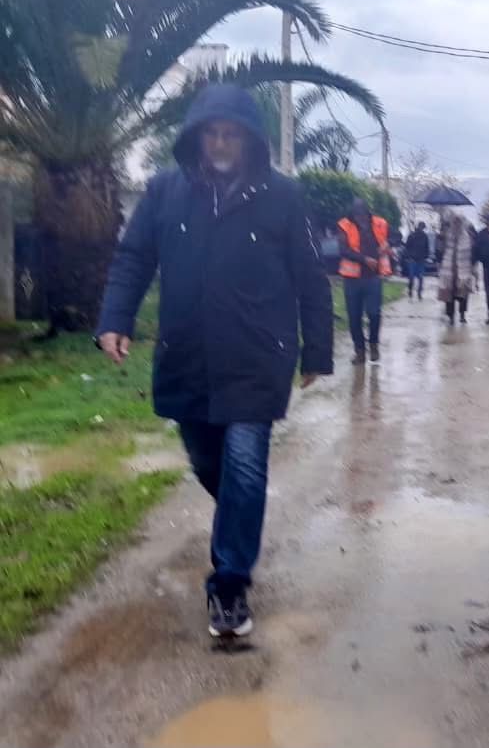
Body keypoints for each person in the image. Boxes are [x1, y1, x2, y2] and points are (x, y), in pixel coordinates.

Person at [96, 84, 334, 639]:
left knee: (245, 467)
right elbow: (133, 258)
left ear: (249, 140)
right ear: (197, 138)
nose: (221, 143)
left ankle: (229, 584)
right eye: (212, 133)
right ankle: (240, 516)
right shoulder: (165, 192)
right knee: (209, 463)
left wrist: (317, 350)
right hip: (189, 356)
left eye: (231, 134)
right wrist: (114, 319)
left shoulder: (282, 196)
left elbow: (309, 277)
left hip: (257, 359)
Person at [338, 198, 392, 364]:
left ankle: (373, 344)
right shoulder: (344, 225)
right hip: (352, 279)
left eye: (362, 215)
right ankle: (359, 351)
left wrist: (388, 245)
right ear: (352, 214)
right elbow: (343, 250)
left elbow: (394, 238)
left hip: (373, 277)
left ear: (367, 213)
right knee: (354, 317)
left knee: (374, 313)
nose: (359, 218)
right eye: (356, 215)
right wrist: (364, 259)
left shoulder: (379, 223)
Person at [437, 212, 476, 325]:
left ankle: (462, 314)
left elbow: (473, 253)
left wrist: (472, 267)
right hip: (449, 268)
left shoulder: (468, 236)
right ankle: (451, 316)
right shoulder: (446, 235)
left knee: (463, 294)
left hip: (463, 268)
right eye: (455, 222)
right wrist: (441, 238)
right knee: (449, 295)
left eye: (458, 222)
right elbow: (439, 250)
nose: (457, 224)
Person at [404, 221, 432, 300]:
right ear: (418, 227)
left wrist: (426, 257)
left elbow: (427, 247)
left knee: (420, 277)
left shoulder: (424, 236)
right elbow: (407, 247)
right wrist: (408, 256)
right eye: (421, 227)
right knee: (412, 277)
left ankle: (419, 293)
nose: (421, 229)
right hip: (412, 259)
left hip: (420, 260)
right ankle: (410, 290)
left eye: (423, 227)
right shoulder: (412, 235)